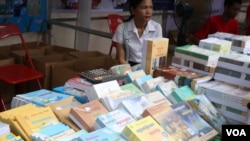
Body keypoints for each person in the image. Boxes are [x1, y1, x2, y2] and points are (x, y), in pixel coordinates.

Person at [112, 0, 162, 66]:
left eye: (151, 7)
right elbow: (121, 59)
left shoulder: (157, 27)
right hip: (128, 65)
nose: (148, 12)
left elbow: (158, 55)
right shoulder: (122, 28)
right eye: (144, 8)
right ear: (133, 10)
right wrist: (131, 72)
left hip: (149, 66)